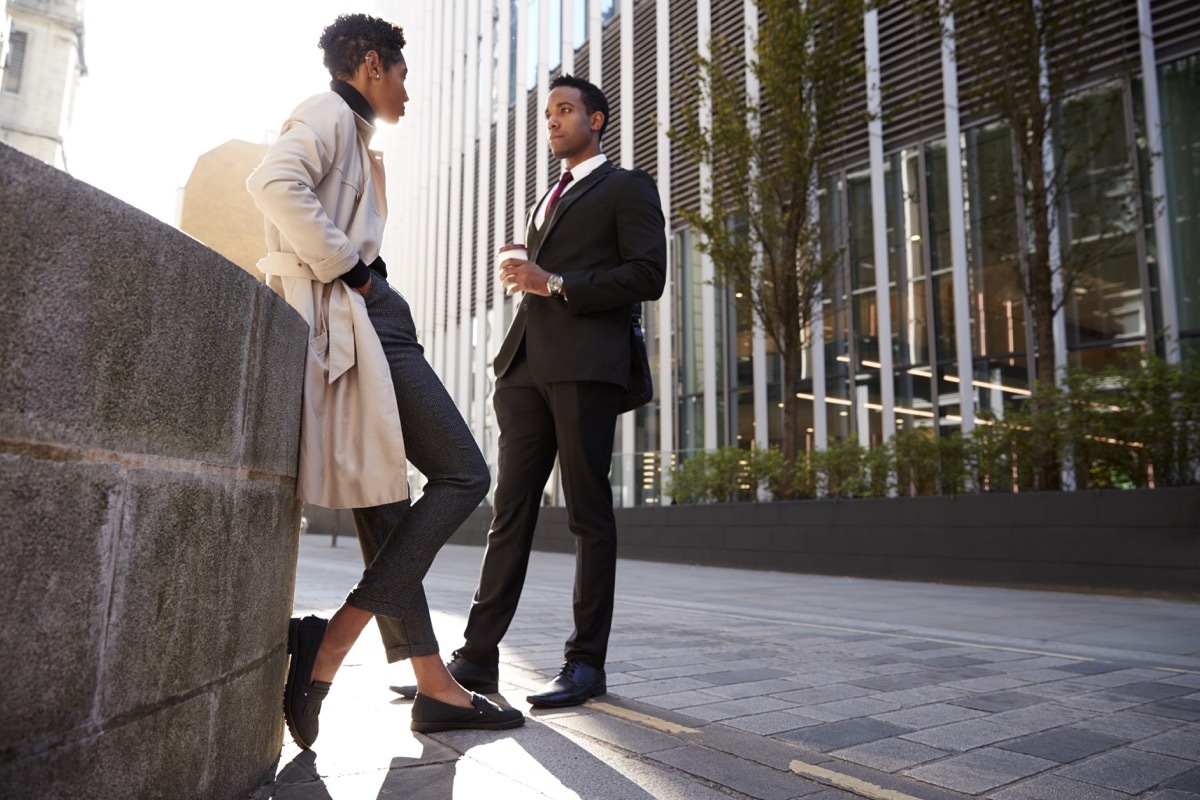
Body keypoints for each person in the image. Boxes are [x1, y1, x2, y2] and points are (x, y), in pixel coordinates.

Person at [247, 13, 523, 749]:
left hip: (363, 320)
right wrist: (361, 276)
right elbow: (272, 181)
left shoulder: (356, 138)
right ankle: (330, 647)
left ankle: (434, 686)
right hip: (362, 317)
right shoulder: (328, 111)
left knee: (385, 504)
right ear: (372, 64)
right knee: (465, 474)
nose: (407, 89)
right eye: (401, 72)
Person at [394, 75, 667, 707]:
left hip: (585, 366)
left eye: (566, 111)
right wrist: (528, 276)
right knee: (507, 514)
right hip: (524, 369)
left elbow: (647, 274)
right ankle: (477, 658)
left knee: (587, 513)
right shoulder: (547, 196)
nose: (554, 121)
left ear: (596, 120)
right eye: (548, 114)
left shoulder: (628, 187)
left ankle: (585, 665)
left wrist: (558, 282)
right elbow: (543, 278)